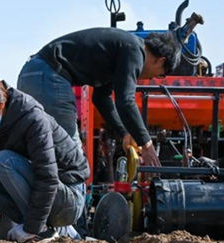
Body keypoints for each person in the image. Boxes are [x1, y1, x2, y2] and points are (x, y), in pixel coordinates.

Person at [17, 28, 181, 167]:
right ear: (160, 61)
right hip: (49, 75)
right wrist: (146, 143)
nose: (150, 78)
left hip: (31, 73)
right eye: (159, 75)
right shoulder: (135, 50)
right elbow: (126, 101)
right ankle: (74, 197)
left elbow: (101, 99)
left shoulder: (120, 50)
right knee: (72, 157)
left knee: (40, 148)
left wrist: (124, 133)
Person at [0, 72, 90, 243]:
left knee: (4, 161)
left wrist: (31, 228)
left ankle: (43, 230)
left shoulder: (32, 118)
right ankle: (53, 229)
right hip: (44, 194)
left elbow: (48, 177)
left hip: (68, 195)